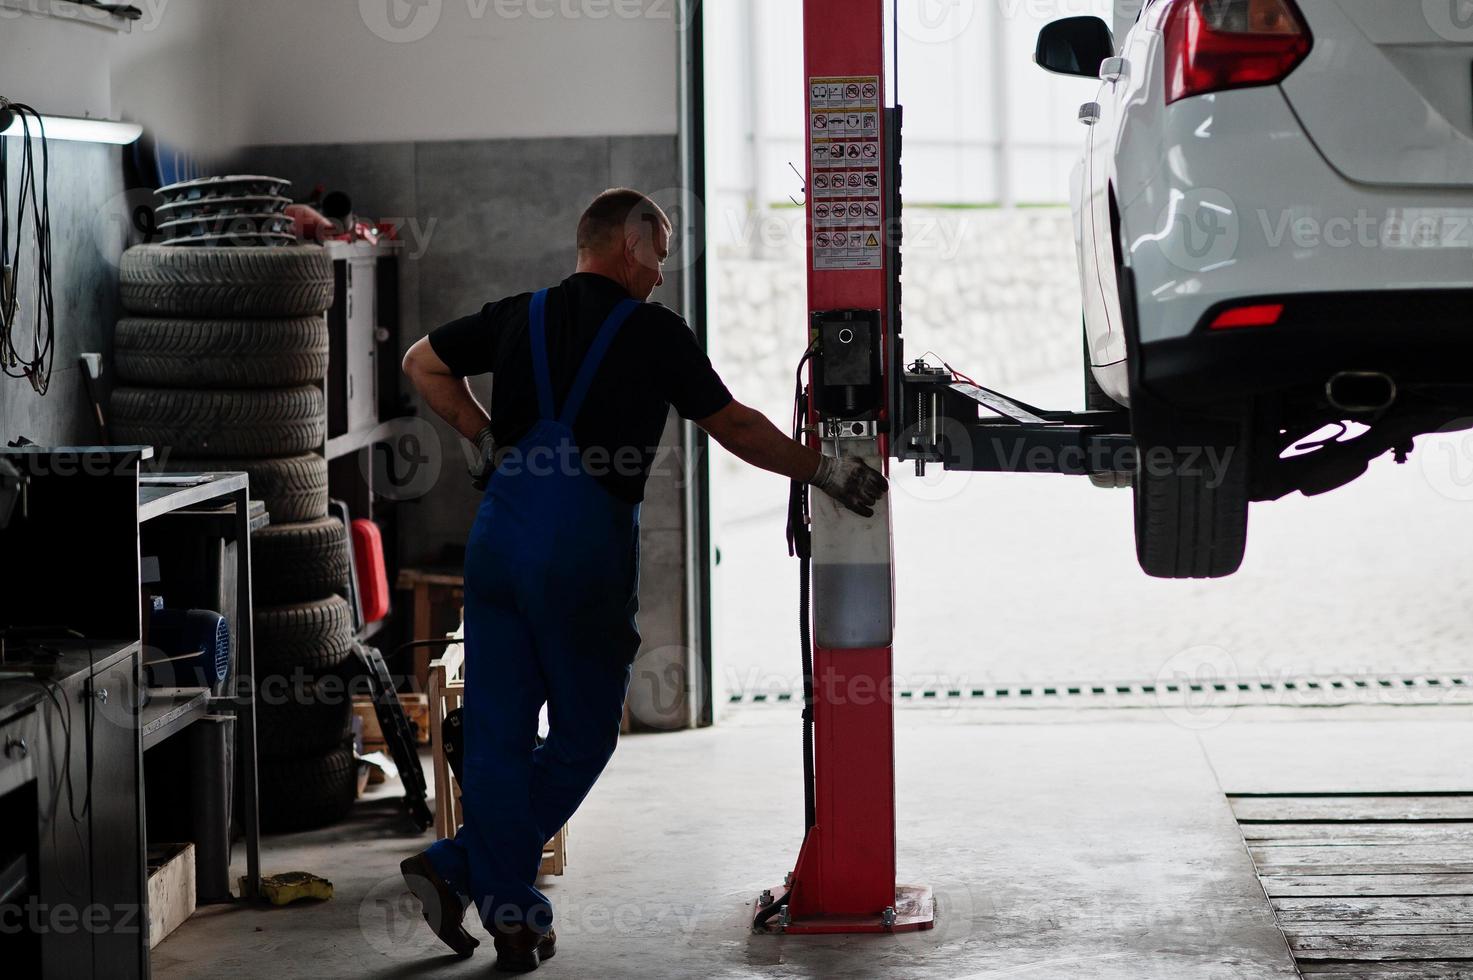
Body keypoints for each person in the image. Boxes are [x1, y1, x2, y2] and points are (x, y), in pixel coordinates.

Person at [399, 187, 885, 972]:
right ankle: (459, 869)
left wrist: (484, 438)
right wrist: (822, 471)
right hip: (580, 553)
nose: (661, 273)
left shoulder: (515, 315)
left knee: (495, 737)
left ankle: (507, 911)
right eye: (659, 252)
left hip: (497, 544)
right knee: (586, 733)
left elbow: (420, 362)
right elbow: (730, 424)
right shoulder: (653, 333)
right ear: (628, 244)